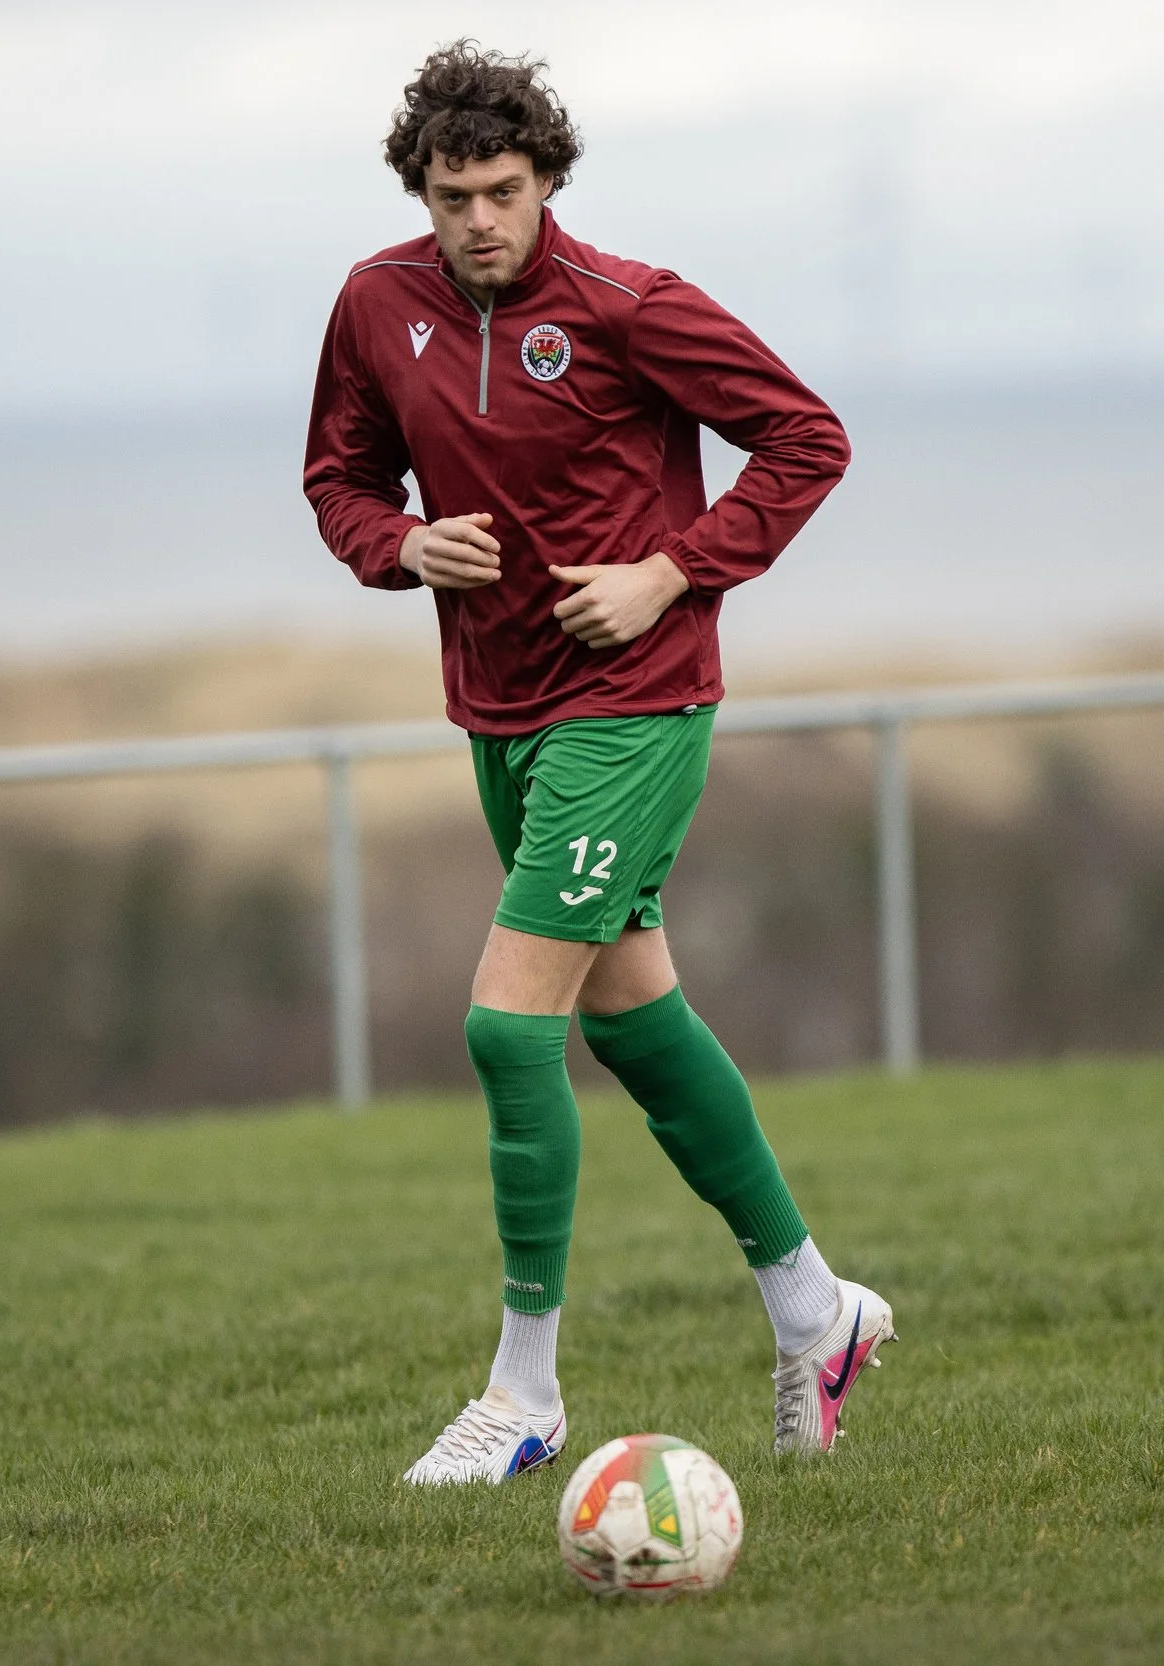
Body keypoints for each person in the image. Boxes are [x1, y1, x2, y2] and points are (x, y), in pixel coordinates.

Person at [304, 40, 892, 1486]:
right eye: (453, 197)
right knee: (630, 1019)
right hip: (499, 713)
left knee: (509, 1030)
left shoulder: (631, 304)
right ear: (420, 193)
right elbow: (340, 481)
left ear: (547, 181)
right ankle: (816, 1311)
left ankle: (524, 1394)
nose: (479, 221)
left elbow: (805, 440)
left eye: (504, 191)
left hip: (635, 704)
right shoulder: (376, 305)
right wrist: (402, 547)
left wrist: (670, 573)